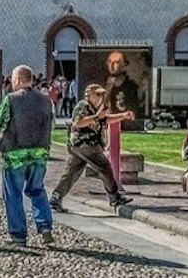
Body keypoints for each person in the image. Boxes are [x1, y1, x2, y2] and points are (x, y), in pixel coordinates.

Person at [0, 65, 55, 247]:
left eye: (12, 79)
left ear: (18, 79)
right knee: (37, 190)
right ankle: (45, 227)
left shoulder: (11, 99)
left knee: (13, 194)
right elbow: (51, 124)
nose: (11, 83)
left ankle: (19, 236)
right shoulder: (46, 100)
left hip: (15, 155)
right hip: (39, 153)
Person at [50, 83, 133, 213]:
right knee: (104, 167)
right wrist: (96, 117)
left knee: (72, 172)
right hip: (85, 144)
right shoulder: (83, 106)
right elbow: (79, 122)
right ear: (89, 95)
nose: (100, 97)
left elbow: (106, 120)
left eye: (102, 95)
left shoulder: (95, 109)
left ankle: (56, 198)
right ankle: (114, 197)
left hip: (80, 147)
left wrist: (123, 116)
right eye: (97, 94)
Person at [103, 50, 143, 119]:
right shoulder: (106, 83)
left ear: (124, 65)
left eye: (116, 62)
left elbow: (133, 112)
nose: (112, 65)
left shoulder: (131, 86)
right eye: (109, 62)